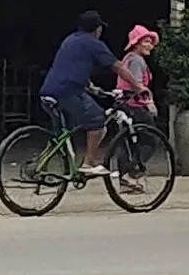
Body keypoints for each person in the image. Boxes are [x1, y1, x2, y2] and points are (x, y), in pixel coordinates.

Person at [39, 11, 150, 177]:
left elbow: (71, 67)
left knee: (63, 133)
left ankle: (41, 165)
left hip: (49, 90)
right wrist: (138, 86)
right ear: (97, 29)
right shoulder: (93, 43)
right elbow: (118, 67)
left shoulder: (70, 40)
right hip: (68, 92)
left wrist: (91, 88)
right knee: (97, 120)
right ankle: (89, 163)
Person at [114, 25, 160, 194]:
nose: (150, 45)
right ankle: (132, 174)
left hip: (124, 106)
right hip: (135, 107)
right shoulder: (137, 61)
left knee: (127, 144)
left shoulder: (127, 59)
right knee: (150, 141)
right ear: (136, 44)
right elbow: (137, 84)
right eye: (146, 42)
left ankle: (126, 181)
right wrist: (149, 102)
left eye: (151, 42)